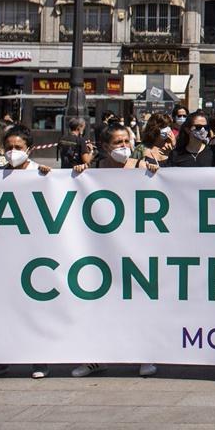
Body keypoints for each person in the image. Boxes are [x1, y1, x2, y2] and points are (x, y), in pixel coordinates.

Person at [71, 122, 159, 379]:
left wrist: (157, 174)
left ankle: (143, 355)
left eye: (126, 142)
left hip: (136, 247)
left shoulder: (142, 168)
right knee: (99, 303)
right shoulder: (94, 171)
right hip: (101, 248)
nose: (123, 147)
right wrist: (79, 173)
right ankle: (95, 358)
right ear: (105, 147)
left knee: (137, 301)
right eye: (117, 143)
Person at [0, 126, 51, 381]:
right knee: (0, 307)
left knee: (34, 308)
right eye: (9, 147)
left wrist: (51, 179)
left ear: (29, 148)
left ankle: (38, 358)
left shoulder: (41, 173)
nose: (13, 152)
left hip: (34, 253)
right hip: (3, 253)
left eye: (18, 147)